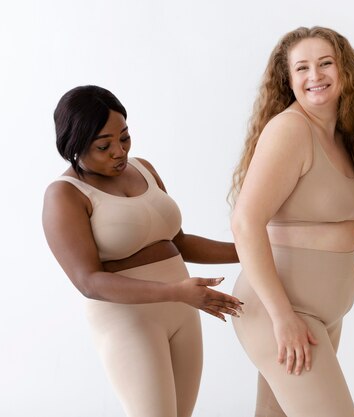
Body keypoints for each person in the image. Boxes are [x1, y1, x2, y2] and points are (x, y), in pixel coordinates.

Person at [42, 85, 243, 417]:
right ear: (73, 145)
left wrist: (251, 250)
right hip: (129, 320)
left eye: (124, 137)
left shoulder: (144, 168)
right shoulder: (64, 195)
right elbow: (88, 281)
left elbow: (179, 241)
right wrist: (176, 292)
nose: (119, 152)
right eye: (104, 146)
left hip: (182, 308)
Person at [229, 26, 354, 417]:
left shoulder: (344, 137)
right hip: (284, 313)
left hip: (320, 315)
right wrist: (283, 317)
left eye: (326, 63)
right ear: (288, 80)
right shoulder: (290, 130)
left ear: (346, 72)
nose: (315, 76)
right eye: (301, 68)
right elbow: (245, 222)